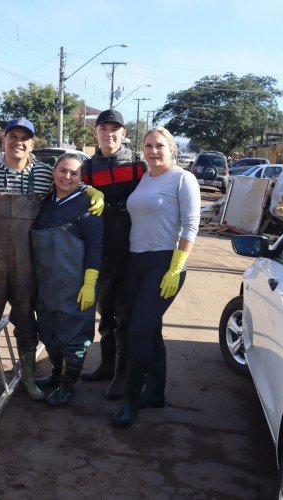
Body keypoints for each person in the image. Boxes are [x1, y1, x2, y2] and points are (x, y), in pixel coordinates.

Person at [0, 118, 104, 400]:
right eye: (12, 136)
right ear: (3, 140)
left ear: (32, 143)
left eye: (24, 138)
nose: (18, 142)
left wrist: (91, 190)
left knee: (27, 322)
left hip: (28, 266)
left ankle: (29, 377)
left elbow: (67, 186)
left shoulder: (45, 174)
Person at [111, 126, 200, 428]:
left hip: (164, 264)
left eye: (159, 146)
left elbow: (190, 225)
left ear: (172, 149)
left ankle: (131, 402)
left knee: (138, 332)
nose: (152, 151)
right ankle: (157, 393)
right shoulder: (145, 178)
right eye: (147, 145)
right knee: (150, 331)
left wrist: (176, 267)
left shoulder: (182, 179)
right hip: (135, 262)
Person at [80, 109, 147, 402]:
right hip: (103, 246)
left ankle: (122, 373)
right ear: (96, 133)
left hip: (132, 245)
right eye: (103, 129)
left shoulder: (137, 164)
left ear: (124, 133)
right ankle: (106, 365)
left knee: (125, 312)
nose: (109, 134)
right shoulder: (88, 167)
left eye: (114, 129)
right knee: (105, 309)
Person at [31, 153, 103, 407]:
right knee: (49, 334)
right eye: (63, 170)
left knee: (74, 337)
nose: (67, 177)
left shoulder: (87, 206)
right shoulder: (45, 202)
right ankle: (56, 374)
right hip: (47, 285)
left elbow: (96, 247)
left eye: (74, 173)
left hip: (75, 287)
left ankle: (68, 386)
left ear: (81, 178)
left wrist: (89, 283)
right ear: (54, 171)